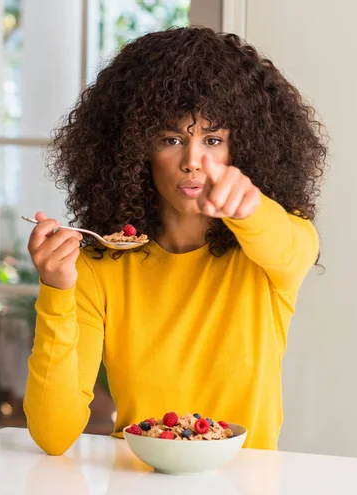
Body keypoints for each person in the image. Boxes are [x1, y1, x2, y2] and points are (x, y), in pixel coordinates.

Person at [23, 26, 326, 455]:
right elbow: (53, 436)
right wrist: (56, 291)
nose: (192, 162)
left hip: (243, 485)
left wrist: (250, 207)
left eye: (213, 140)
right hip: (135, 481)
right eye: (171, 139)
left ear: (244, 151)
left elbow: (292, 247)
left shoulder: (267, 253)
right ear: (134, 150)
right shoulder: (97, 265)